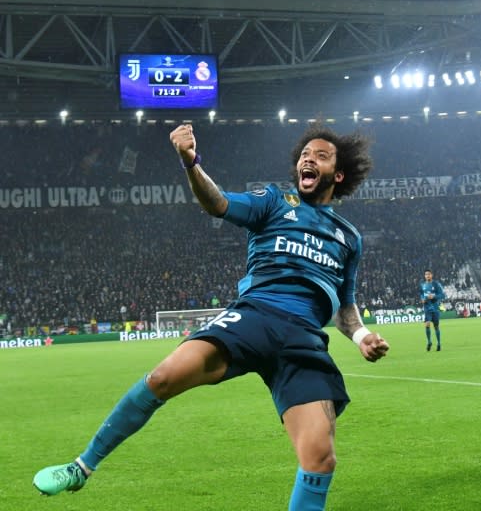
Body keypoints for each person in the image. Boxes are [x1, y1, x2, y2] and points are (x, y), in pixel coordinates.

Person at [33, 123, 390, 509]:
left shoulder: (348, 238)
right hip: (254, 317)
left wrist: (361, 335)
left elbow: (346, 305)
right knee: (163, 377)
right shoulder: (274, 202)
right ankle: (81, 468)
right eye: (305, 153)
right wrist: (191, 163)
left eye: (320, 155)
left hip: (304, 338)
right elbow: (217, 203)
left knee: (320, 457)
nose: (308, 158)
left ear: (337, 175)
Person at [420, 269, 445, 351]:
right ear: (424, 276)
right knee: (427, 324)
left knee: (436, 326)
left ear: (432, 275)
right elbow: (421, 294)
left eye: (429, 274)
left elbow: (442, 295)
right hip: (427, 308)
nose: (427, 276)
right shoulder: (422, 285)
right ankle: (429, 342)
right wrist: (422, 299)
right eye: (426, 274)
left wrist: (434, 296)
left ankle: (438, 343)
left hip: (435, 308)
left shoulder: (436, 284)